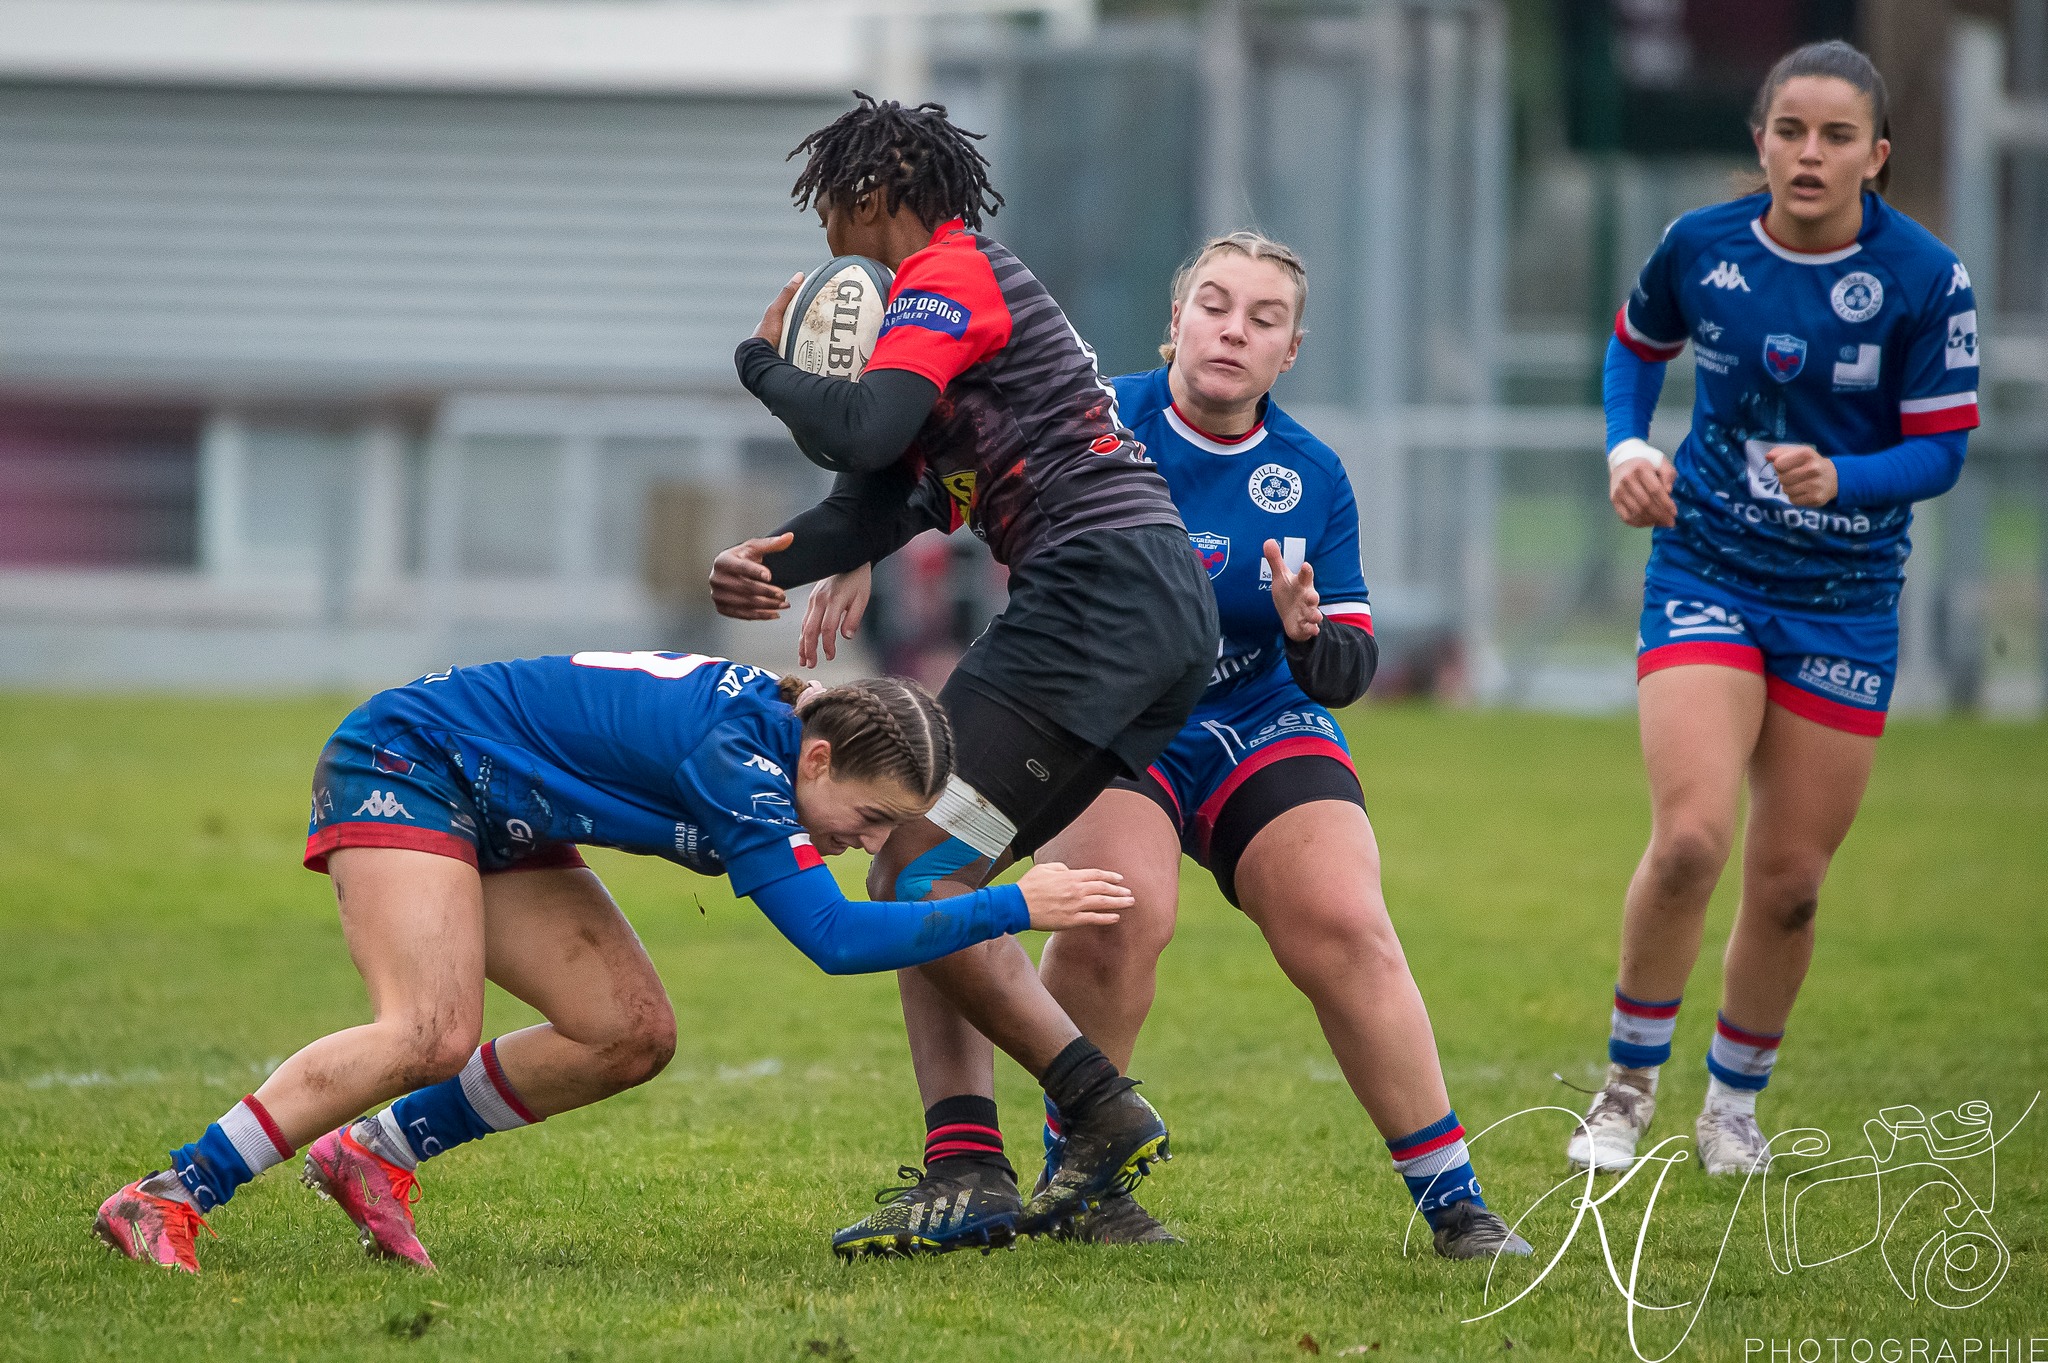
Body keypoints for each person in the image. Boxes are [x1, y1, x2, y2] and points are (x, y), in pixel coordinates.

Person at [799, 233, 1534, 1261]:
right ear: (1174, 320)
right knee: (1085, 907)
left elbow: (1349, 672)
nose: (1234, 329)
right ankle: (1080, 1179)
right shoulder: (1095, 415)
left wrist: (1307, 630)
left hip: (1256, 715)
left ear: (1289, 351)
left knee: (1343, 923)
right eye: (1214, 305)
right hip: (1106, 715)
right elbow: (933, 485)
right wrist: (854, 549)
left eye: (1263, 318)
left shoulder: (1310, 475)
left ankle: (1454, 1203)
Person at [92, 652, 1134, 1273]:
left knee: (628, 1031)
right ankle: (171, 1190)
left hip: (499, 803)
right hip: (410, 761)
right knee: (426, 1029)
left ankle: (373, 1154)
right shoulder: (744, 766)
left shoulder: (783, 741)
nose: (867, 841)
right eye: (866, 818)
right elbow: (833, 940)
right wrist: (1014, 901)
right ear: (815, 759)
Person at [710, 93, 1219, 1255]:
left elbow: (867, 426)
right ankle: (979, 1166)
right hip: (1129, 607)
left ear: (877, 191)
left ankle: (1084, 1115)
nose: (826, 240)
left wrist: (756, 360)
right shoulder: (943, 311)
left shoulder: (949, 272)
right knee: (923, 870)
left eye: (831, 209)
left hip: (1098, 597)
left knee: (909, 870)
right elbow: (869, 496)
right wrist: (769, 562)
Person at [1570, 39, 1979, 1177]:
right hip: (1705, 567)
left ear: (1875, 156)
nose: (1808, 152)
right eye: (1788, 130)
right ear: (1758, 141)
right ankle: (1625, 1086)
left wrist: (1842, 479)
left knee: (1790, 883)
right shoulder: (1698, 246)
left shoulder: (1924, 276)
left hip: (1843, 602)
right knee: (1692, 835)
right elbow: (1631, 348)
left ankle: (1732, 1105)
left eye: (1835, 135)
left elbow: (1941, 449)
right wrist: (1622, 448)